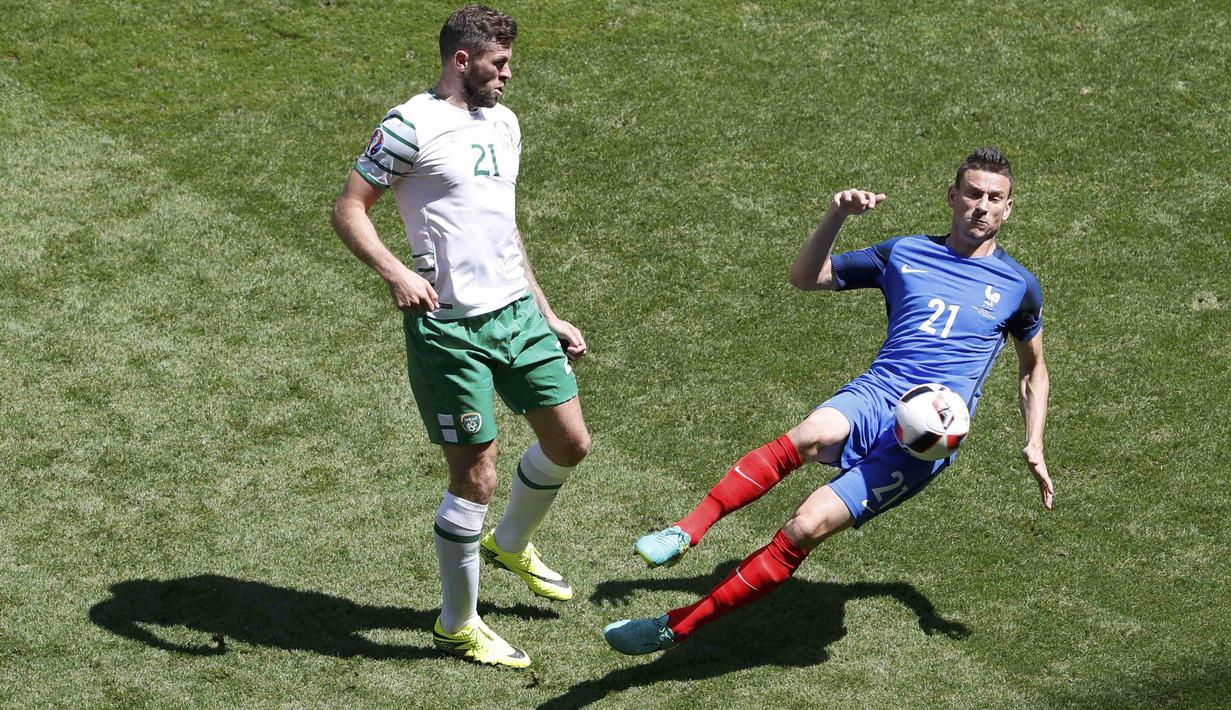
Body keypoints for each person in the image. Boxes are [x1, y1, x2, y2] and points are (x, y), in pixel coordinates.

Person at [604, 147, 1053, 655]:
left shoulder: (1019, 286)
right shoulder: (903, 252)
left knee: (804, 526)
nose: (982, 206)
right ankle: (686, 531)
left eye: (995, 198)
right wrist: (836, 214)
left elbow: (1033, 368)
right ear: (952, 196)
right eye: (973, 194)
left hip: (929, 436)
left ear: (1009, 208)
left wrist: (1034, 441)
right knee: (809, 436)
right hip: (881, 390)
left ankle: (675, 627)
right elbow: (806, 277)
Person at [331, 5, 590, 669]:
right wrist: (393, 272)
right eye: (497, 63)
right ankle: (458, 623)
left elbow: (502, 227)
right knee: (474, 475)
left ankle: (510, 544)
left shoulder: (504, 123)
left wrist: (547, 312)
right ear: (461, 60)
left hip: (517, 315)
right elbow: (348, 207)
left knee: (569, 442)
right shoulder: (409, 124)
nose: (506, 75)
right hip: (450, 330)